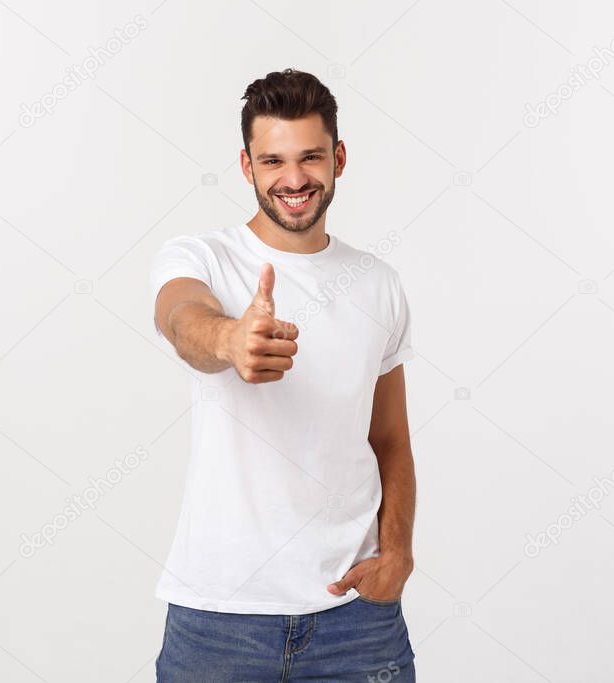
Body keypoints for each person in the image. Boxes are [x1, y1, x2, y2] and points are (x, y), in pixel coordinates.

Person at [149, 68, 417, 682]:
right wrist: (229, 338)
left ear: (338, 158)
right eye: (272, 161)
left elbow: (390, 439)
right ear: (247, 166)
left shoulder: (379, 284)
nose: (293, 180)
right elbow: (180, 316)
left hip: (356, 619)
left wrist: (397, 553)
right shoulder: (201, 257)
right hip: (219, 620)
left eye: (310, 158)